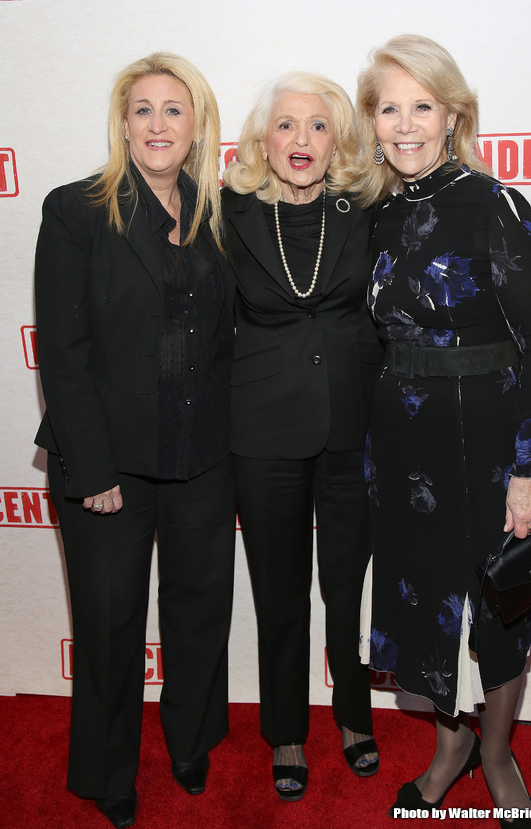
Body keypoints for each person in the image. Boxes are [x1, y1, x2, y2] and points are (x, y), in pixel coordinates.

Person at [355, 35, 531, 828]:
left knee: (503, 602)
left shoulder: (493, 204)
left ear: (452, 115)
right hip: (403, 445)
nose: (405, 125)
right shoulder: (374, 216)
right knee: (426, 602)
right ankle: (450, 746)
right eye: (389, 107)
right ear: (372, 121)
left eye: (422, 106)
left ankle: (498, 749)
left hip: (488, 443)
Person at [34, 53, 236, 829]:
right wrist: (92, 467)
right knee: (111, 622)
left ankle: (190, 741)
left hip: (201, 459)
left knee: (199, 609)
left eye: (174, 110)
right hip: (109, 465)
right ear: (124, 123)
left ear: (196, 127)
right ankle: (110, 771)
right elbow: (65, 349)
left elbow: (224, 342)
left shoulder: (217, 214)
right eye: (143, 109)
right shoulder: (77, 211)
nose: (158, 124)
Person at [222, 72, 384, 800]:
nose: (302, 141)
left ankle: (353, 714)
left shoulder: (369, 208)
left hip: (352, 427)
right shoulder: (229, 212)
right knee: (279, 591)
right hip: (261, 430)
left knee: (346, 585)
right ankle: (286, 725)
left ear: (338, 140)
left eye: (318, 126)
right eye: (287, 125)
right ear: (265, 138)